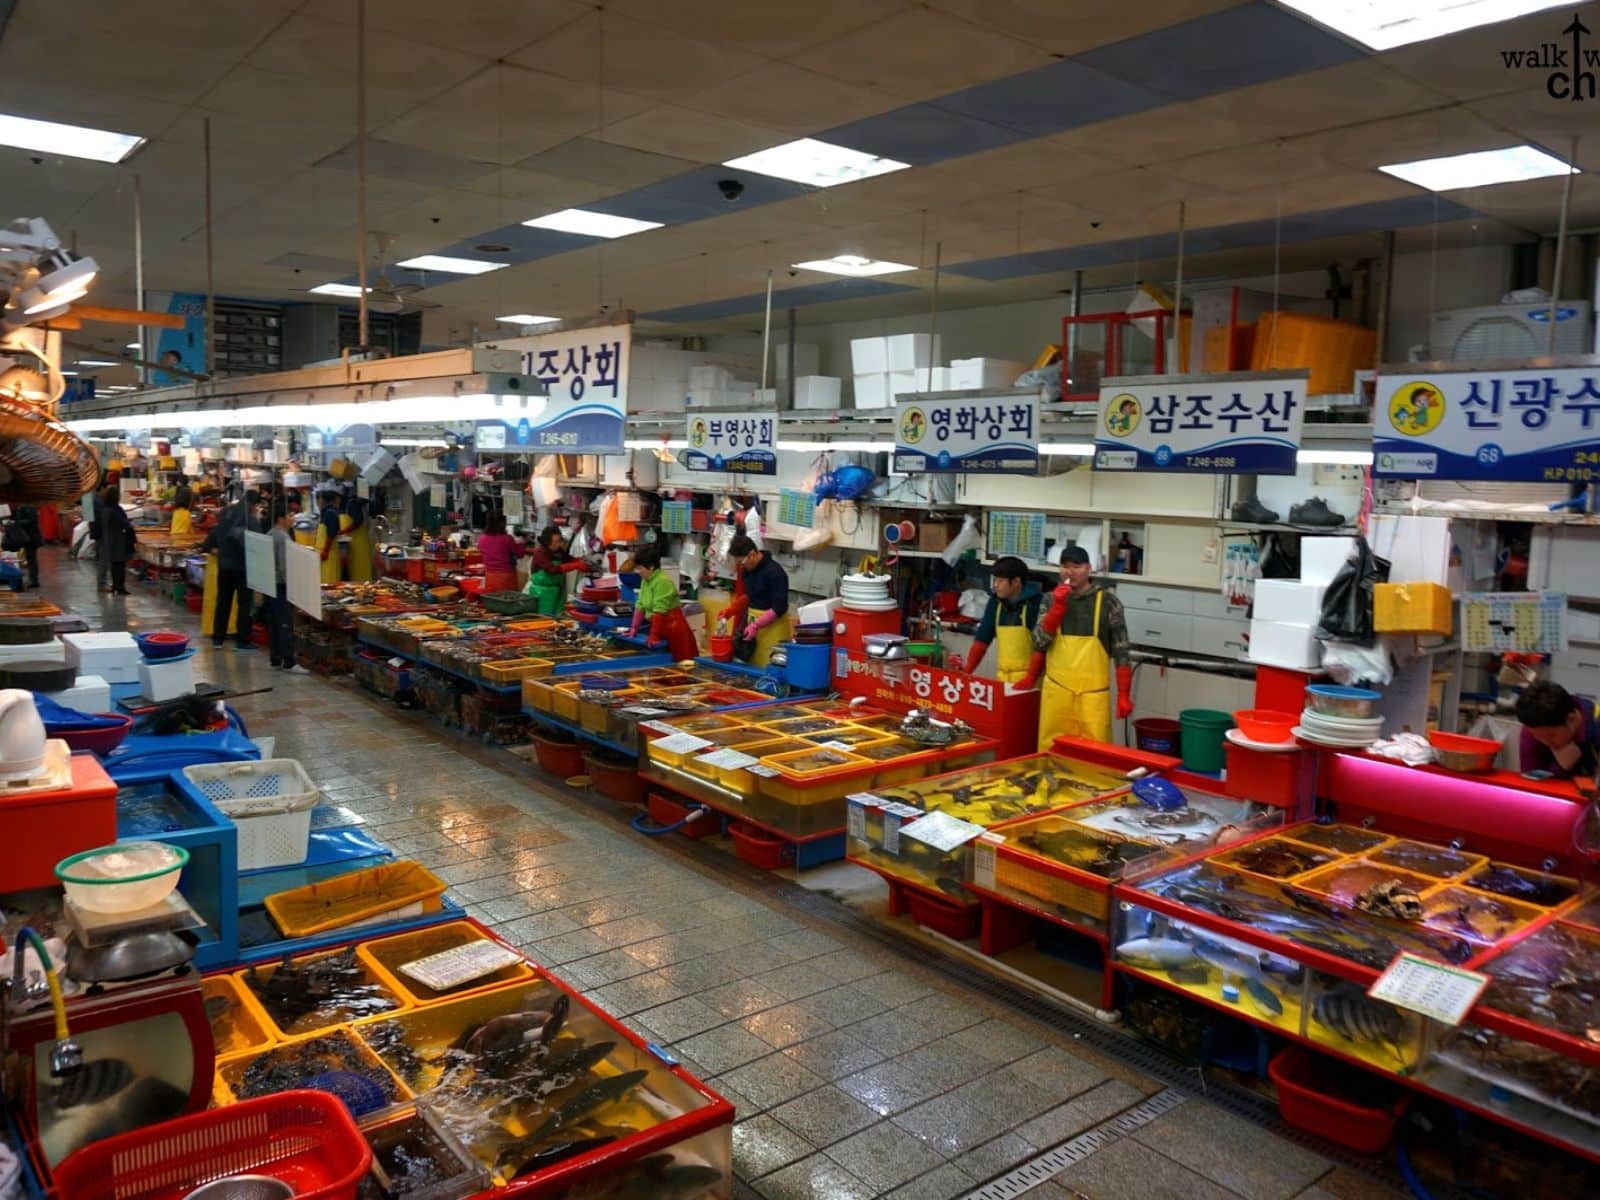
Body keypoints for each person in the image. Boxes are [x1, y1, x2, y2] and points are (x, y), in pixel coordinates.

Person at [1025, 546, 1133, 750]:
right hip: (1057, 694)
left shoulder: (1109, 602)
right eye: (1065, 567)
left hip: (1093, 697)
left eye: (1077, 566)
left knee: (1095, 753)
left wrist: (1124, 694)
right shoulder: (1049, 600)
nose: (1070, 572)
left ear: (1089, 569)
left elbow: (1122, 651)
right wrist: (1056, 609)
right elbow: (1038, 643)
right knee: (1052, 750)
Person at [962, 556, 1043, 683]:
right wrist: (966, 672)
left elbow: (1042, 646)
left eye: (1000, 581)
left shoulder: (1036, 603)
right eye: (995, 580)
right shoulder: (995, 603)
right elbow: (983, 638)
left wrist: (1031, 678)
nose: (995, 585)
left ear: (1016, 582)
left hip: (1031, 680)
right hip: (1003, 678)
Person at [201, 488, 258, 650]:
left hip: (224, 565)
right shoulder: (250, 519)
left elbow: (216, 533)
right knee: (244, 603)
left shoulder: (226, 512)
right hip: (242, 567)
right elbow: (260, 542)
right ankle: (242, 641)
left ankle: (218, 639)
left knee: (223, 602)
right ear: (254, 504)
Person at [724, 533, 790, 666]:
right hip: (753, 627)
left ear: (752, 554)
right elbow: (751, 595)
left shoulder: (775, 572)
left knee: (770, 668)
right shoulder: (747, 570)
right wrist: (732, 609)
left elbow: (780, 607)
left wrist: (756, 625)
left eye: (741, 562)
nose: (741, 566)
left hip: (773, 628)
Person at [629, 543, 699, 661]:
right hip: (660, 627)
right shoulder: (646, 580)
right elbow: (640, 605)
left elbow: (659, 610)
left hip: (674, 629)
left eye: (640, 568)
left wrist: (654, 634)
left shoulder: (662, 582)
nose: (638, 571)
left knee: (682, 664)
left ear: (651, 567)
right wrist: (634, 628)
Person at [1516, 681, 1599, 780]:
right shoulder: (1533, 727)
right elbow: (1530, 782)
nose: (1545, 742)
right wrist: (1560, 768)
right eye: (1537, 736)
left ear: (1571, 719)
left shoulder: (1596, 727)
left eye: (1550, 735)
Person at [263, 502, 306, 672]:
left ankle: (276, 658)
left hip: (270, 584)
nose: (292, 518)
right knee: (284, 623)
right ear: (281, 518)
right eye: (289, 515)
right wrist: (294, 586)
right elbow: (284, 566)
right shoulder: (282, 537)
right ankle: (289, 661)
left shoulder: (270, 533)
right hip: (280, 585)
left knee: (274, 623)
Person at [525, 526, 586, 616]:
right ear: (547, 542)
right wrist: (574, 565)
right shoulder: (540, 552)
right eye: (555, 542)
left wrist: (580, 562)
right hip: (542, 594)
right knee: (543, 619)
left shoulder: (558, 551)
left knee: (557, 619)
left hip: (558, 592)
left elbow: (568, 559)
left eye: (559, 541)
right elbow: (552, 569)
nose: (558, 545)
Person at [98, 485, 136, 596]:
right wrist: (129, 524)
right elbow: (123, 523)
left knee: (115, 565)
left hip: (110, 540)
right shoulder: (114, 510)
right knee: (120, 565)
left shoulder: (105, 509)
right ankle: (120, 588)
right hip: (118, 540)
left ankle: (116, 586)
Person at [476, 513, 527, 594]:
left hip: (490, 575)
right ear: (501, 524)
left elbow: (481, 550)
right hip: (506, 576)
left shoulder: (482, 538)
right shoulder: (507, 539)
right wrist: (522, 543)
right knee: (508, 600)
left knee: (493, 598)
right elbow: (520, 554)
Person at [4, 505, 41, 590]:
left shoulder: (30, 506)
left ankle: (34, 580)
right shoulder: (21, 505)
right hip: (26, 536)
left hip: (32, 537)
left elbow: (31, 519)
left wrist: (16, 522)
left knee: (31, 558)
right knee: (30, 558)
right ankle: (32, 579)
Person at [315, 489, 343, 586]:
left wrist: (325, 551)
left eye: (318, 499)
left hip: (328, 553)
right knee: (323, 580)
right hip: (323, 551)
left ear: (323, 500)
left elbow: (331, 534)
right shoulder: (326, 511)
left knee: (329, 582)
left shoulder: (330, 513)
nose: (317, 502)